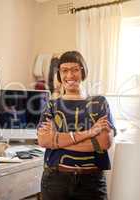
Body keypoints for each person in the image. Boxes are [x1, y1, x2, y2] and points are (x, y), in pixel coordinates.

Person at [37, 51, 116, 200]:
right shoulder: (52, 105)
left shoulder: (99, 102)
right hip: (55, 181)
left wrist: (57, 140)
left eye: (75, 70)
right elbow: (44, 141)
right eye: (64, 71)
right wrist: (90, 133)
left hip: (91, 183)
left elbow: (104, 143)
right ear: (59, 75)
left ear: (83, 72)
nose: (70, 75)